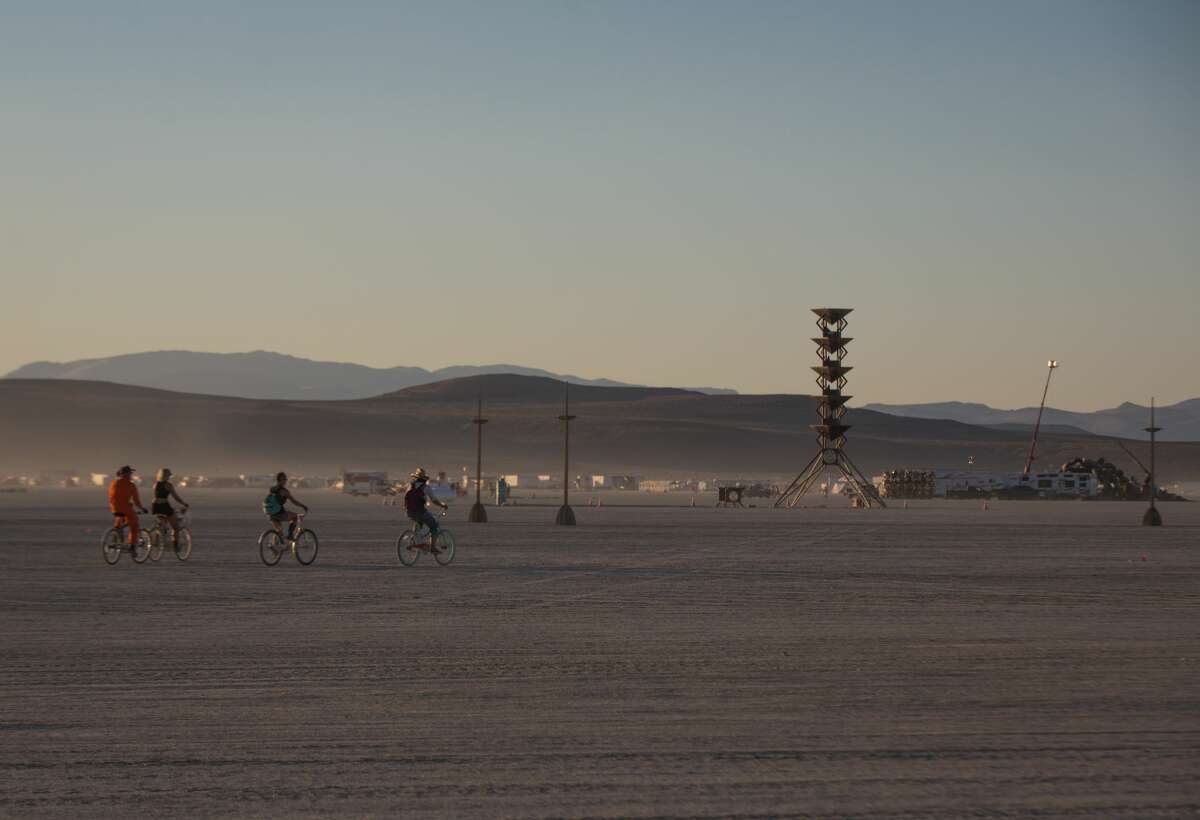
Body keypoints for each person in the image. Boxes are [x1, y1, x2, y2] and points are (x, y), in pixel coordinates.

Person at [404, 467, 448, 552]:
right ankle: (433, 547)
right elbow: (434, 501)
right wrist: (443, 505)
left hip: (409, 511)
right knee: (434, 526)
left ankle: (414, 541)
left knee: (418, 523)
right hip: (420, 512)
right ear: (424, 479)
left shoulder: (410, 485)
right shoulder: (426, 487)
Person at [108, 465, 148, 546]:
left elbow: (112, 496)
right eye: (130, 473)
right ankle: (132, 544)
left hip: (114, 507)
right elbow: (136, 501)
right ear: (127, 474)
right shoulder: (131, 485)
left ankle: (117, 532)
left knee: (120, 517)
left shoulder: (114, 483)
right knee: (134, 525)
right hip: (125, 508)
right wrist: (142, 508)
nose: (131, 475)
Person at [151, 468, 189, 548]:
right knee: (175, 526)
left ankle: (157, 540)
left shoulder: (155, 484)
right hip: (164, 505)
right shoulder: (168, 485)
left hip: (155, 506)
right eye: (169, 476)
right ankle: (175, 545)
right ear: (166, 476)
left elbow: (156, 496)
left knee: (162, 523)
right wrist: (184, 503)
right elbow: (175, 497)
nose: (169, 477)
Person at [265, 472, 308, 541]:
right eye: (284, 479)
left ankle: (276, 547)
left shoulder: (272, 489)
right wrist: (303, 506)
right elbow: (294, 501)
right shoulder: (284, 491)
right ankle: (290, 535)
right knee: (296, 517)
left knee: (279, 531)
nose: (286, 481)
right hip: (279, 513)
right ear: (281, 480)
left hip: (270, 513)